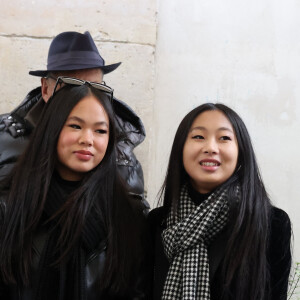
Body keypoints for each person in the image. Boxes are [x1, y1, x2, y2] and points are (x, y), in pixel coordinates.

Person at [0, 79, 148, 299]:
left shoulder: (129, 213)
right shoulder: (10, 203)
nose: (87, 140)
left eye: (100, 131)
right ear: (52, 129)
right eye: (75, 126)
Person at [148, 103, 291, 300]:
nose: (210, 148)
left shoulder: (272, 223)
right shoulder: (157, 222)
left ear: (241, 152)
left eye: (224, 138)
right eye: (198, 137)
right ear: (181, 149)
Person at [0, 31, 148, 213]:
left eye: (95, 86)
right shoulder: (7, 136)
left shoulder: (121, 145)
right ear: (45, 88)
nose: (84, 95)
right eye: (71, 85)